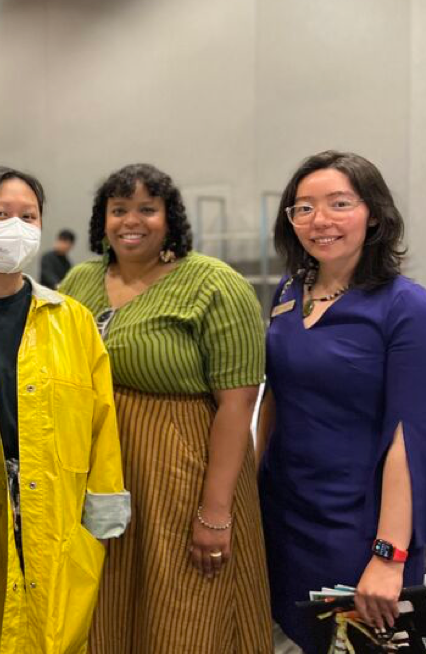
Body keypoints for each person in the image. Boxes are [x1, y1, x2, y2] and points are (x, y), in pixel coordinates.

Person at [58, 163, 272, 653]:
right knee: (110, 603)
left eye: (146, 209)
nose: (131, 221)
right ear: (102, 219)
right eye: (119, 210)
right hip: (103, 473)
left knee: (187, 607)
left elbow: (239, 404)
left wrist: (215, 513)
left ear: (169, 218)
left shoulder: (214, 285)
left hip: (184, 470)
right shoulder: (78, 283)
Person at [0, 166, 129, 654]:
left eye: (28, 215)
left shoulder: (72, 320)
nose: (16, 226)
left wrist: (102, 522)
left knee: (54, 636)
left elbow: (101, 422)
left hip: (55, 518)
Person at [257, 151, 426, 653]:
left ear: (373, 213)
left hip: (360, 526)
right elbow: (275, 398)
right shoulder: (291, 292)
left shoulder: (405, 307)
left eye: (338, 203)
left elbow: (410, 437)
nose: (320, 220)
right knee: (301, 639)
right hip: (287, 514)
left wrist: (389, 555)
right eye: (303, 208)